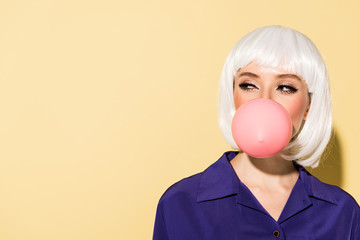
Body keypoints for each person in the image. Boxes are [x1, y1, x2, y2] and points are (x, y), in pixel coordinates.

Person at [153, 25, 359, 240]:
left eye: (285, 87)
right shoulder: (179, 203)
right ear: (233, 94)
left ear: (308, 105)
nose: (265, 100)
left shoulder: (343, 212)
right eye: (249, 85)